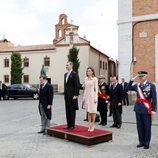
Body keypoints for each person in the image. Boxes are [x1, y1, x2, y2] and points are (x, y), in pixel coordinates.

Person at [126, 71, 157, 149]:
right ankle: (141, 142)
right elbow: (127, 88)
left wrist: (154, 110)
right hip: (138, 108)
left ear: (146, 76)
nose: (140, 78)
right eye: (139, 76)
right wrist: (132, 80)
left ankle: (147, 143)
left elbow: (154, 98)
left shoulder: (151, 85)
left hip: (147, 109)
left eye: (142, 76)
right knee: (139, 127)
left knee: (147, 127)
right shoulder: (137, 85)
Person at [64, 61, 80, 130]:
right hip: (67, 96)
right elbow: (66, 85)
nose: (66, 66)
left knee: (72, 110)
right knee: (67, 110)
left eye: (67, 65)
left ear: (71, 65)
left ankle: (72, 125)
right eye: (66, 65)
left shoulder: (74, 74)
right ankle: (68, 124)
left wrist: (76, 94)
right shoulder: (65, 74)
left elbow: (77, 84)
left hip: (72, 95)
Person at [82, 67, 98, 132]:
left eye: (89, 71)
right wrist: (83, 97)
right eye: (87, 71)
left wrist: (96, 98)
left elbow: (96, 89)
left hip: (92, 96)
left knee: (93, 111)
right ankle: (89, 124)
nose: (88, 72)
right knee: (88, 111)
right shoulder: (85, 79)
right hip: (87, 96)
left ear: (92, 72)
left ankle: (93, 124)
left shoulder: (94, 79)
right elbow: (85, 88)